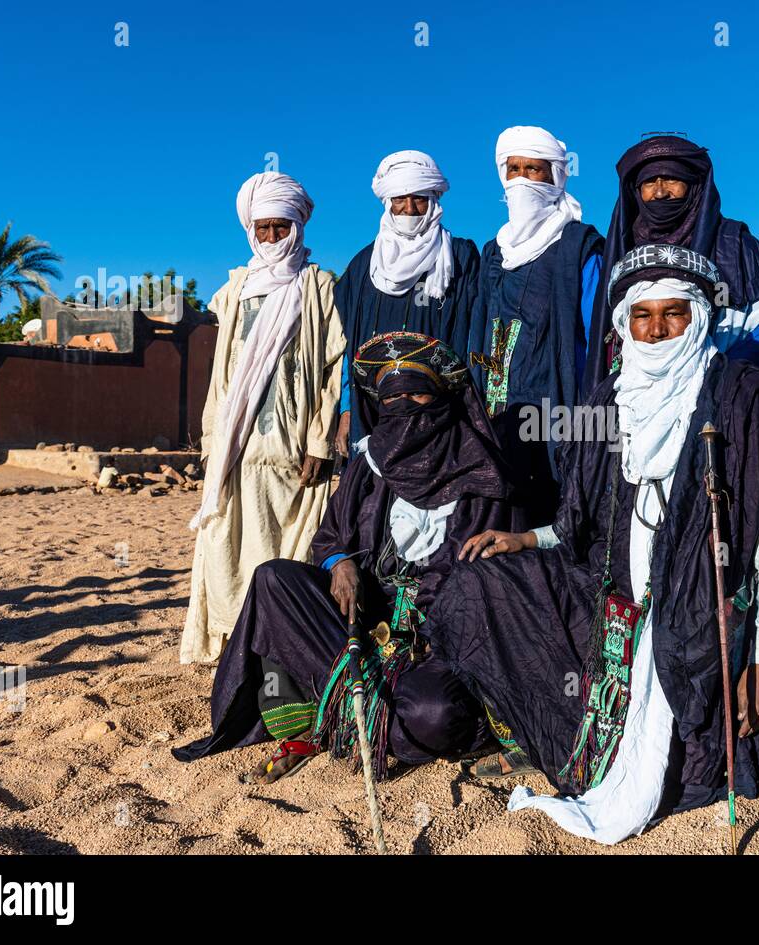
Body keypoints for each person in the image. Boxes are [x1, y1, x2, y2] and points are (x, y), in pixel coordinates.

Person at [431, 245, 759, 844]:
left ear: (701, 317)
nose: (657, 330)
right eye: (643, 315)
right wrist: (526, 538)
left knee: (697, 774)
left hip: (706, 620)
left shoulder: (743, 401)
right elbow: (581, 521)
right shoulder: (610, 399)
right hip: (616, 610)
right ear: (624, 323)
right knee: (478, 584)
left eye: (674, 313)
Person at [174, 332, 514, 782]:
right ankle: (323, 720)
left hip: (441, 637)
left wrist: (430, 626)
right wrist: (340, 563)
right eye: (394, 398)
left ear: (444, 398)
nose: (406, 407)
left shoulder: (480, 473)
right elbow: (330, 534)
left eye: (418, 393)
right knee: (274, 580)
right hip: (360, 615)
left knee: (434, 714)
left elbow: (487, 578)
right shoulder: (368, 463)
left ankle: (353, 714)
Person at [180, 172, 345, 664]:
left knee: (286, 548)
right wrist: (213, 441)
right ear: (250, 230)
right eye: (264, 228)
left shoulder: (318, 287)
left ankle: (281, 645)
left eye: (281, 227)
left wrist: (319, 440)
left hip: (293, 451)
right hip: (238, 448)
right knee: (229, 547)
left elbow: (334, 370)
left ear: (298, 225)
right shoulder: (233, 292)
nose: (273, 238)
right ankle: (237, 645)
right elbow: (223, 377)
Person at [584, 135, 759, 388]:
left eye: (672, 179)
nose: (661, 191)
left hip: (717, 393)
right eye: (650, 181)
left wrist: (731, 365)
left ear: (694, 186)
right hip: (635, 393)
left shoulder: (733, 243)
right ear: (637, 191)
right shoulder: (623, 248)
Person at [475, 126, 603, 521]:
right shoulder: (494, 251)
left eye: (535, 170)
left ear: (555, 177)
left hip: (560, 408)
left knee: (557, 513)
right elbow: (481, 331)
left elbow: (596, 333)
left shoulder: (579, 245)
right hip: (498, 409)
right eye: (514, 169)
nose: (523, 180)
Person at [333, 151, 483, 455]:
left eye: (419, 199)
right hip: (373, 415)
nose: (410, 209)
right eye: (400, 199)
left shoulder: (460, 258)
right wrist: (347, 410)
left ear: (434, 200)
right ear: (388, 203)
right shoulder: (363, 269)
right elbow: (347, 349)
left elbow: (474, 337)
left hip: (441, 413)